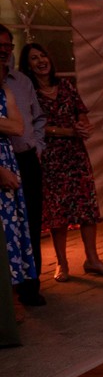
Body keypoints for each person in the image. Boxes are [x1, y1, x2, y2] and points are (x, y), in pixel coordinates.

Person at [21, 43, 103, 281]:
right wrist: (65, 132)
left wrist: (84, 126)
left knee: (86, 207)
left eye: (43, 55)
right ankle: (62, 264)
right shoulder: (28, 91)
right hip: (50, 157)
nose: (41, 61)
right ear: (28, 65)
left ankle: (92, 259)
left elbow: (80, 112)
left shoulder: (65, 85)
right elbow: (32, 127)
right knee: (57, 211)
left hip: (76, 155)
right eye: (34, 58)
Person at [0, 24, 46, 308]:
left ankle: (31, 285)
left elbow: (36, 118)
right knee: (8, 228)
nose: (4, 51)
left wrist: (37, 146)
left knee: (30, 222)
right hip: (4, 160)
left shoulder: (20, 82)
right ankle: (10, 293)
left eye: (8, 46)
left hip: (26, 158)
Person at [0, 85, 36, 299]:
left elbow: (18, 127)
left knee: (10, 231)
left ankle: (11, 298)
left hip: (7, 159)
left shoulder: (5, 91)